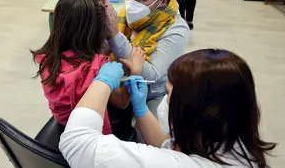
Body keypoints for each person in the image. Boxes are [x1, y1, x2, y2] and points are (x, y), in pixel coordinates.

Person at [59, 49, 277, 168]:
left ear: (193, 108)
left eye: (169, 93)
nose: (165, 99)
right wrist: (141, 109)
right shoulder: (232, 136)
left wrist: (103, 81)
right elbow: (167, 146)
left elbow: (77, 143)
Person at [31, 0, 144, 136]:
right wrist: (135, 72)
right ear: (98, 30)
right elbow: (122, 101)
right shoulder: (96, 69)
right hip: (90, 135)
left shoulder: (48, 57)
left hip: (64, 122)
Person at [106, 0, 190, 117]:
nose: (131, 4)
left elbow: (151, 75)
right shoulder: (125, 15)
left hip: (152, 93)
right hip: (116, 82)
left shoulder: (176, 29)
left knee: (149, 135)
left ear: (162, 0)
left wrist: (114, 36)